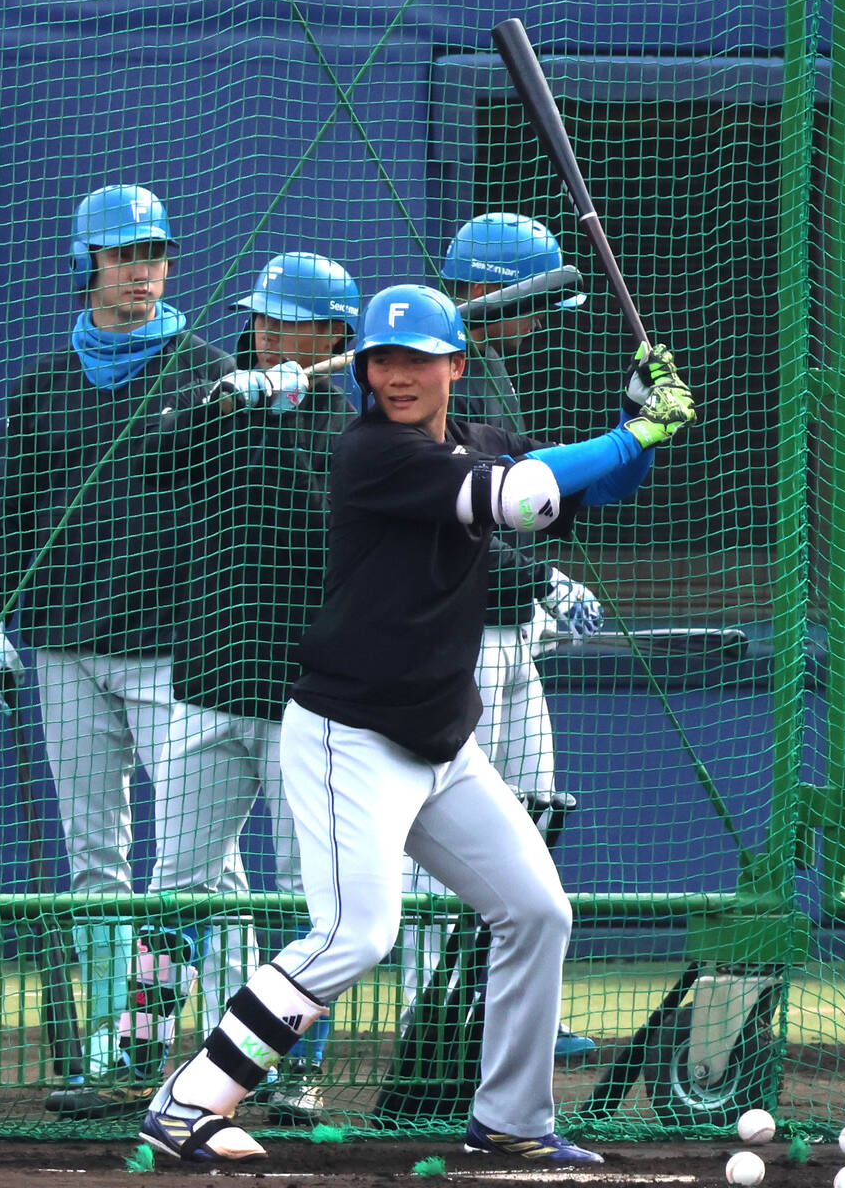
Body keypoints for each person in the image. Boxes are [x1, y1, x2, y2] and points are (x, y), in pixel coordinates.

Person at [138, 282, 695, 1164]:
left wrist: (637, 420)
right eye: (382, 361)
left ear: (454, 368)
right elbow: (518, 500)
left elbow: (596, 485)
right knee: (354, 935)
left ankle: (512, 1120)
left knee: (537, 911)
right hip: (348, 735)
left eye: (417, 361)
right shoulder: (374, 455)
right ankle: (188, 1101)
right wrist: (637, 429)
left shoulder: (478, 441)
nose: (397, 377)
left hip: (439, 739)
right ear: (363, 372)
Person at [49, 252, 359, 1123]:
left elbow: (316, 523)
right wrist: (236, 402)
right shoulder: (222, 401)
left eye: (286, 322)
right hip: (210, 683)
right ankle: (133, 1057)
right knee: (178, 883)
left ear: (329, 335)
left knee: (311, 895)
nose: (265, 334)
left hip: (307, 700)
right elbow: (152, 459)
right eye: (260, 320)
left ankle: (292, 1072)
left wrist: (290, 412)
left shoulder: (346, 432)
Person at [0, 184, 239, 1101]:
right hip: (63, 653)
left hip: (175, 656)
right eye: (124, 254)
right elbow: (9, 514)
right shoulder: (47, 383)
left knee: (200, 864)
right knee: (95, 859)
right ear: (87, 266)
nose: (142, 270)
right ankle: (112, 1042)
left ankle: (232, 1048)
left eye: (155, 253)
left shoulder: (208, 371)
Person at [400, 213, 626, 1062]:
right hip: (448, 647)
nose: (541, 318)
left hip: (505, 635)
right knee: (438, 839)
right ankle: (430, 1020)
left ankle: (516, 1017)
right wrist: (541, 581)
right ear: (496, 287)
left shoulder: (491, 369)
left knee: (532, 816)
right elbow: (447, 510)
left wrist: (532, 593)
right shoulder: (436, 380)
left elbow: (521, 498)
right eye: (534, 295)